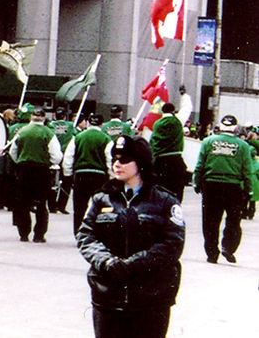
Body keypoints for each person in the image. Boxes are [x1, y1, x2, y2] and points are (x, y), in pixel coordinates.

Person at [77, 135, 184, 338]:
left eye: (124, 159)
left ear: (141, 163)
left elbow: (172, 244)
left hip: (151, 299)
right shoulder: (101, 199)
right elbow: (86, 236)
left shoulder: (165, 201)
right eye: (114, 159)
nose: (117, 164)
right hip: (108, 295)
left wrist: (135, 263)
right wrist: (106, 261)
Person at [193, 114, 253, 264]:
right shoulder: (243, 146)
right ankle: (228, 246)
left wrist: (196, 182)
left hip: (211, 186)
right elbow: (247, 170)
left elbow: (200, 164)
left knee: (210, 221)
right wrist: (249, 189)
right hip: (233, 187)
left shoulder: (208, 142)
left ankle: (212, 253)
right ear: (235, 128)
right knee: (233, 220)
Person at [9, 107, 63, 243]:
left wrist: (20, 161)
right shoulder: (48, 133)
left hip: (24, 169)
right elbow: (57, 155)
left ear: (31, 117)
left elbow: (12, 151)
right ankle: (39, 235)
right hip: (41, 170)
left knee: (23, 203)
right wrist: (48, 163)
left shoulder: (22, 132)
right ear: (44, 118)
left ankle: (23, 233)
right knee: (41, 204)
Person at [62, 114, 114, 232]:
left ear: (88, 123)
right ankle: (97, 231)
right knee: (99, 206)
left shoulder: (78, 137)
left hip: (81, 175)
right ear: (102, 124)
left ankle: (79, 232)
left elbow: (68, 158)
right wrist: (112, 178)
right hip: (99, 176)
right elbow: (109, 160)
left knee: (79, 207)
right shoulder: (106, 139)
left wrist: (68, 175)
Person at [149, 102, 187, 202]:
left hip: (159, 161)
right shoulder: (178, 121)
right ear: (173, 111)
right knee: (177, 190)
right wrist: (184, 95)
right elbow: (187, 108)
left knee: (160, 189)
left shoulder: (157, 124)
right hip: (175, 160)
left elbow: (152, 142)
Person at [48, 107, 76, 213]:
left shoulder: (51, 125)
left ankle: (51, 205)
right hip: (66, 155)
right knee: (66, 182)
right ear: (64, 116)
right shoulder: (70, 125)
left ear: (55, 115)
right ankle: (62, 205)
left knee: (52, 181)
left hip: (53, 155)